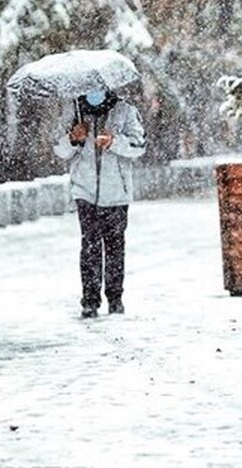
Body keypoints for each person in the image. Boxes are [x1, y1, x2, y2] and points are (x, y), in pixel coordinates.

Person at [53, 89, 145, 319]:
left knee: (115, 246)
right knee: (90, 246)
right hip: (84, 191)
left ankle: (115, 298)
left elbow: (139, 145)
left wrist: (115, 142)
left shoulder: (125, 111)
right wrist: (74, 138)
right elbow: (59, 149)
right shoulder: (73, 111)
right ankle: (90, 300)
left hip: (116, 193)